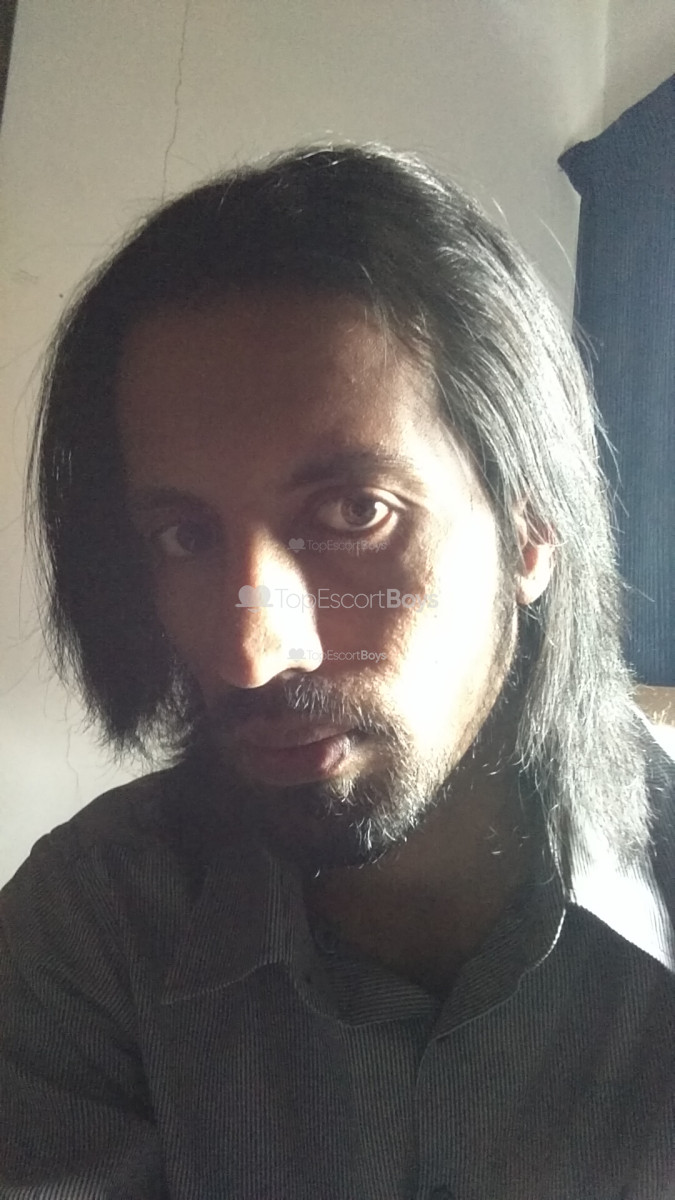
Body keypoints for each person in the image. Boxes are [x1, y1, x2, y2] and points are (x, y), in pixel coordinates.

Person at [1, 143, 673, 1200]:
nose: (251, 651)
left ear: (531, 527)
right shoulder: (87, 934)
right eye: (184, 535)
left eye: (355, 513)